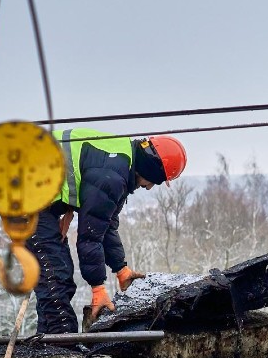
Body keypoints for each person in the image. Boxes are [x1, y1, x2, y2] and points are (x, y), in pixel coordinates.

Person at [27, 129, 187, 334]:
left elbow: (106, 224)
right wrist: (98, 287)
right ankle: (61, 350)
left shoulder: (121, 161)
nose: (149, 188)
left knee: (54, 276)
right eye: (154, 182)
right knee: (56, 277)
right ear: (151, 169)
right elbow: (89, 236)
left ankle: (47, 345)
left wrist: (121, 268)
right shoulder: (112, 177)